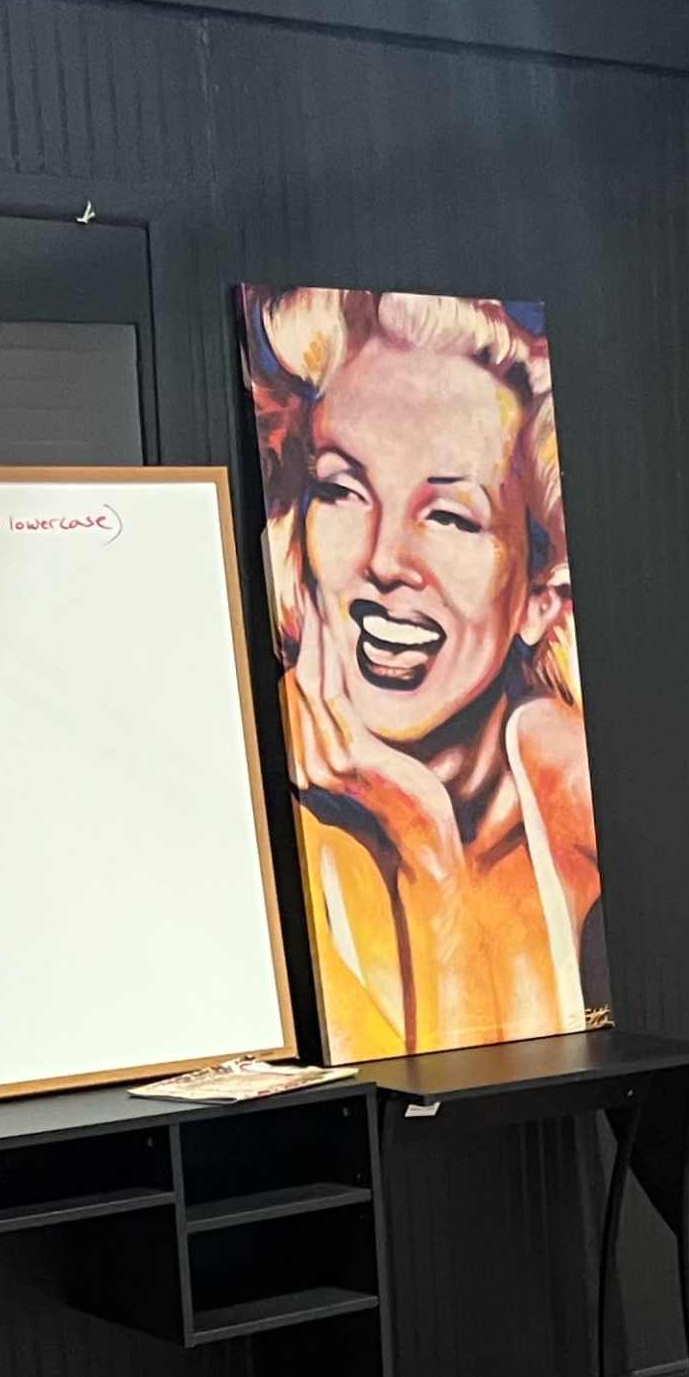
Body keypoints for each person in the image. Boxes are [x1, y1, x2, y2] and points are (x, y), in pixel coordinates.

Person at [243, 286, 605, 1057]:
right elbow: (423, 1114)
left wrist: (429, 833)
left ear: (542, 595)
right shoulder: (280, 829)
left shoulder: (561, 780)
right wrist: (423, 841)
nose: (382, 561)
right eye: (342, 490)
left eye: (449, 515)